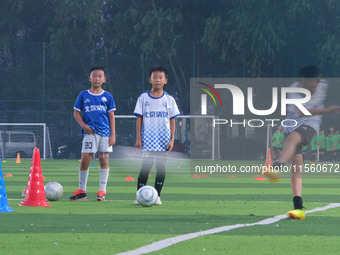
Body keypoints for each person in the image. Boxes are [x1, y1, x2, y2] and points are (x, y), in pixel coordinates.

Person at [267, 65, 340, 219]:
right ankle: (298, 208)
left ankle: (278, 164)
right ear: (299, 82)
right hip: (293, 123)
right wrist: (328, 111)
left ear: (318, 83)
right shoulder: (294, 90)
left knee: (292, 139)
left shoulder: (324, 85)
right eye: (304, 86)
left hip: (310, 124)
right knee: (297, 167)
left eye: (312, 87)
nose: (309, 90)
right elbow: (302, 112)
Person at [133, 66, 180, 205]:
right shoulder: (143, 98)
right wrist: (138, 138)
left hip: (163, 140)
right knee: (145, 168)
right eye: (155, 77)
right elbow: (139, 118)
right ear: (150, 80)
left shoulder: (169, 99)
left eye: (160, 77)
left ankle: (157, 196)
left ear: (165, 80)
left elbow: (172, 120)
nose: (157, 80)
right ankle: (139, 196)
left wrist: (172, 139)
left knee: (161, 168)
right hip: (148, 140)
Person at [69, 66, 116, 201]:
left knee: (104, 159)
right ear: (90, 78)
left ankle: (102, 191)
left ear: (104, 79)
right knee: (85, 160)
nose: (97, 78)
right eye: (94, 76)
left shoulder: (107, 96)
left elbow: (111, 115)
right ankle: (82, 190)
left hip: (105, 133)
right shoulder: (84, 95)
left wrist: (113, 135)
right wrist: (83, 126)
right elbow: (76, 112)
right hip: (89, 133)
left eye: (100, 76)